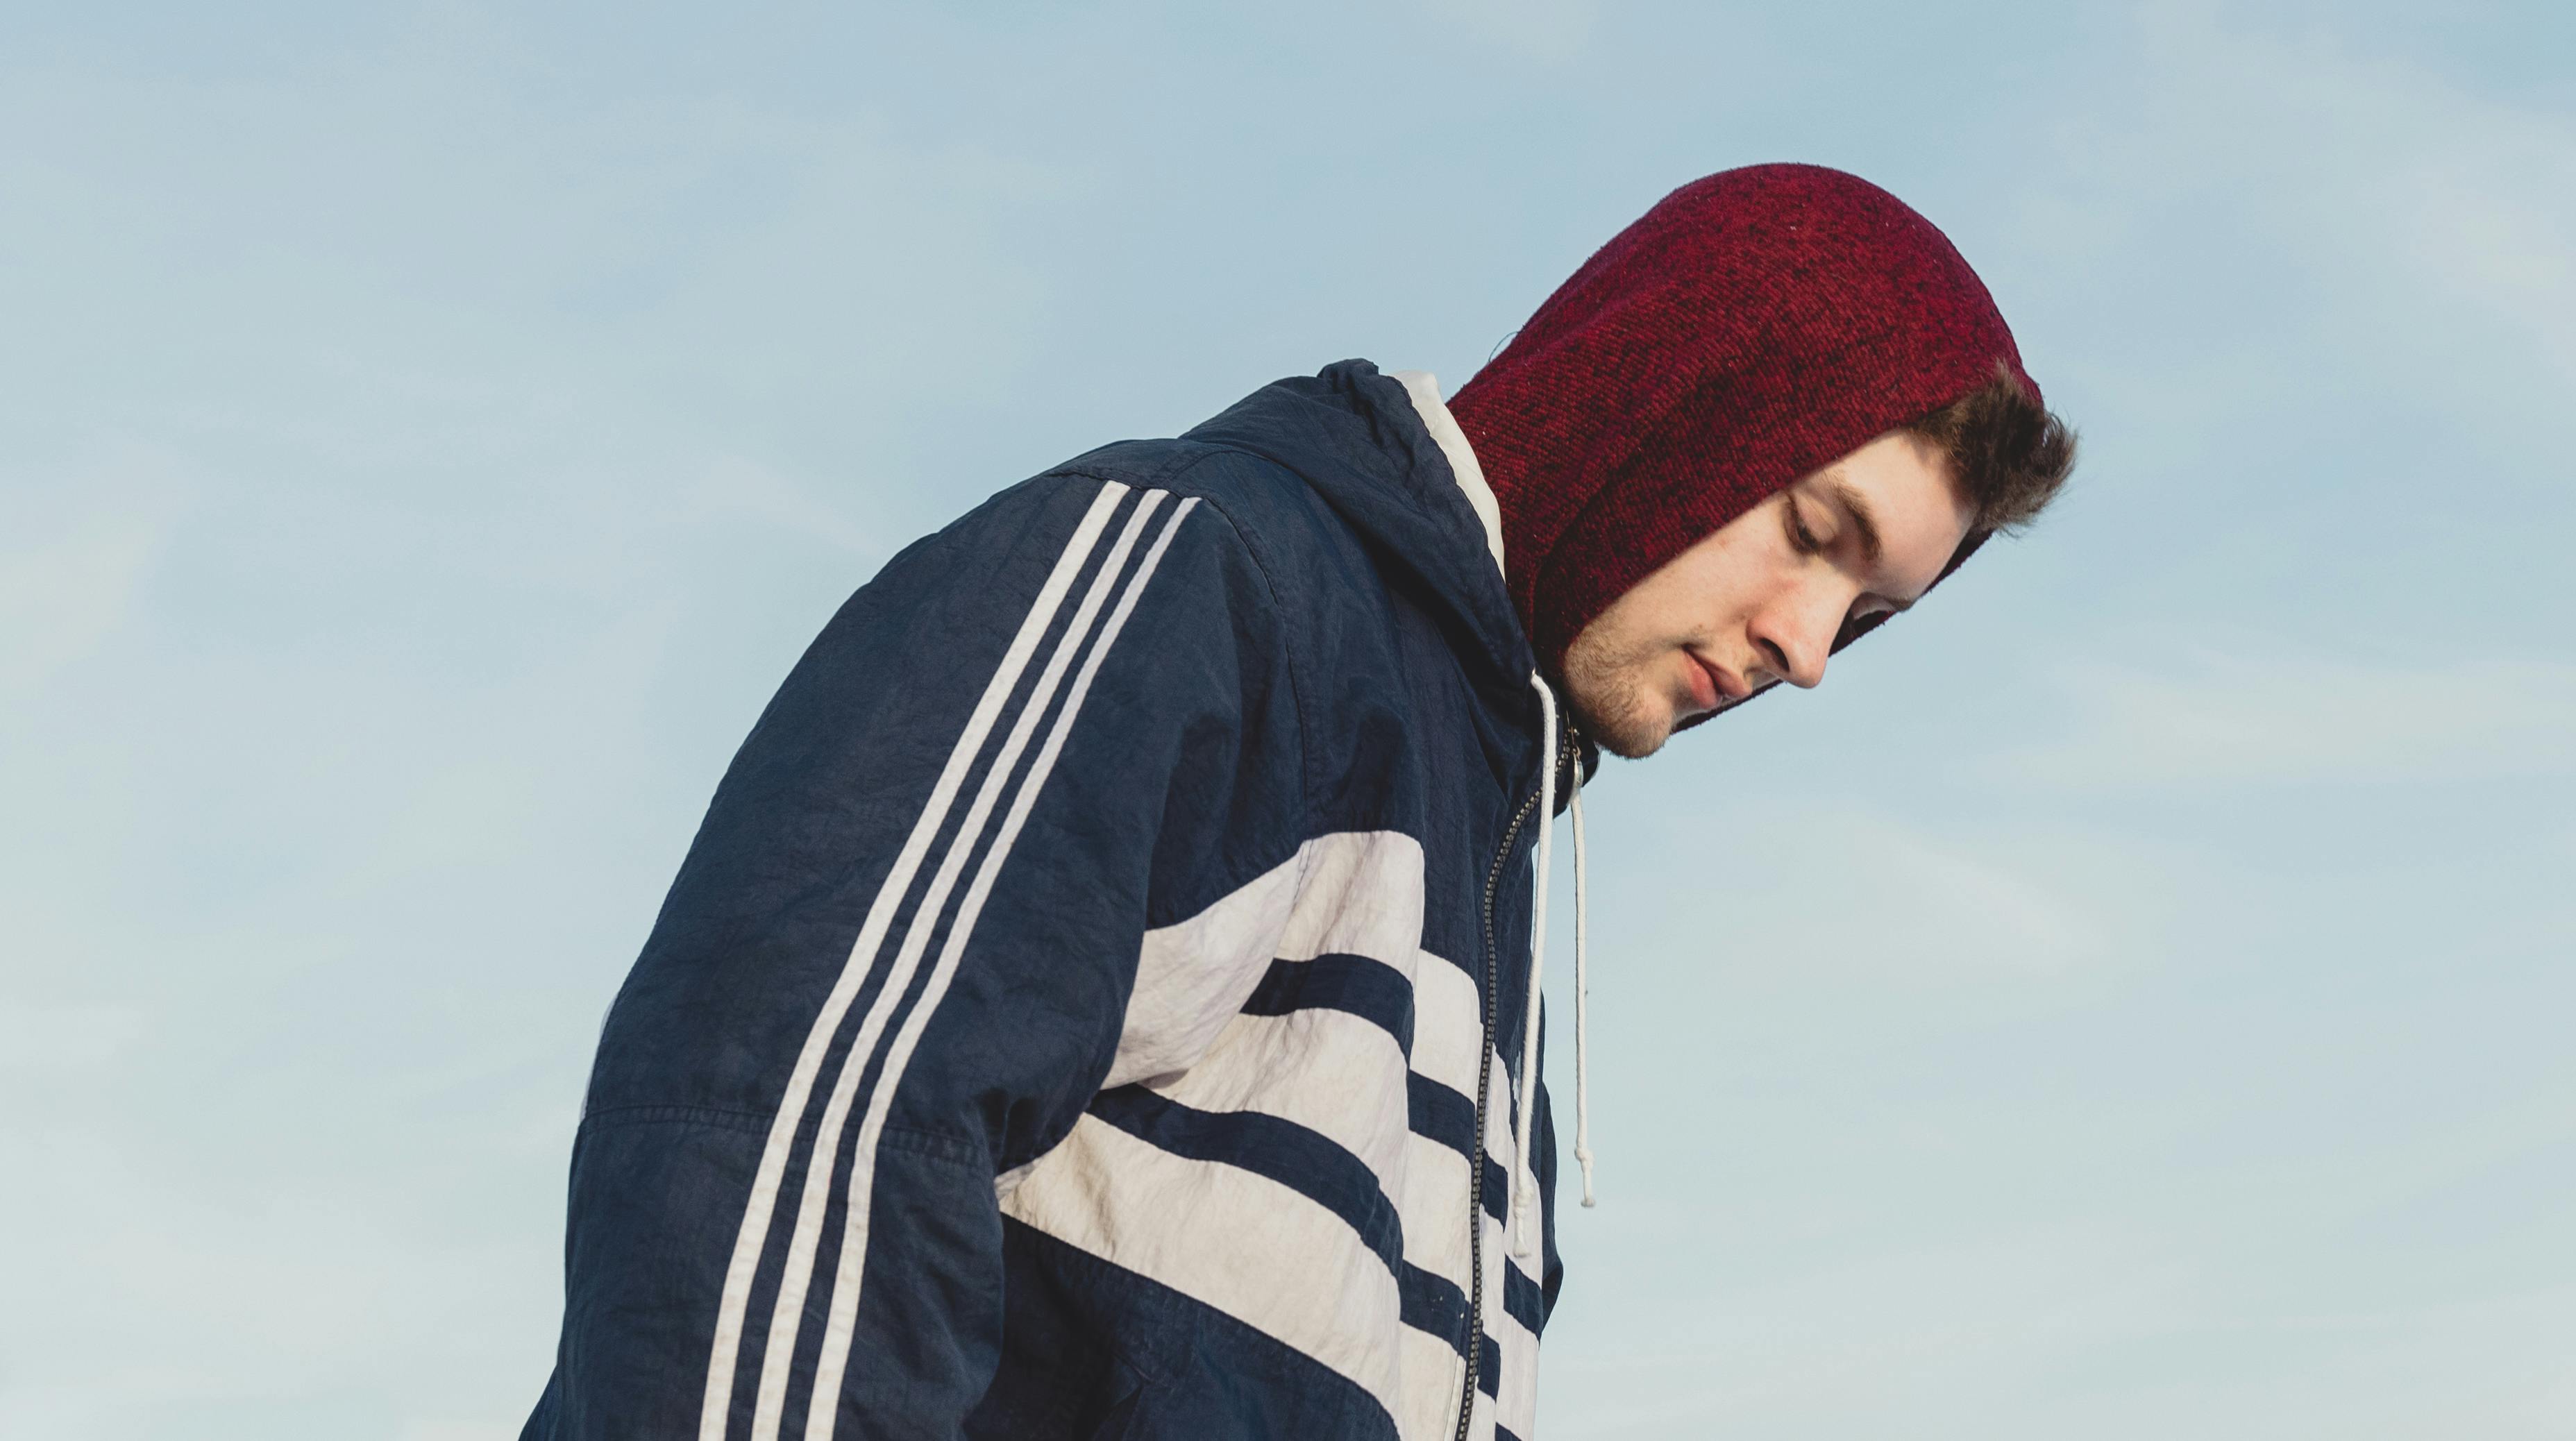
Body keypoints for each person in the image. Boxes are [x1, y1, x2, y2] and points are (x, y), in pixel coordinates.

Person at [519, 162, 2076, 1441]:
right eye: (1814, 531)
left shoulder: (1477, 901)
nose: (1807, 652)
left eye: (1865, 620)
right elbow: (788, 1137)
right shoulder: (1206, 586)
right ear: (1667, 402)